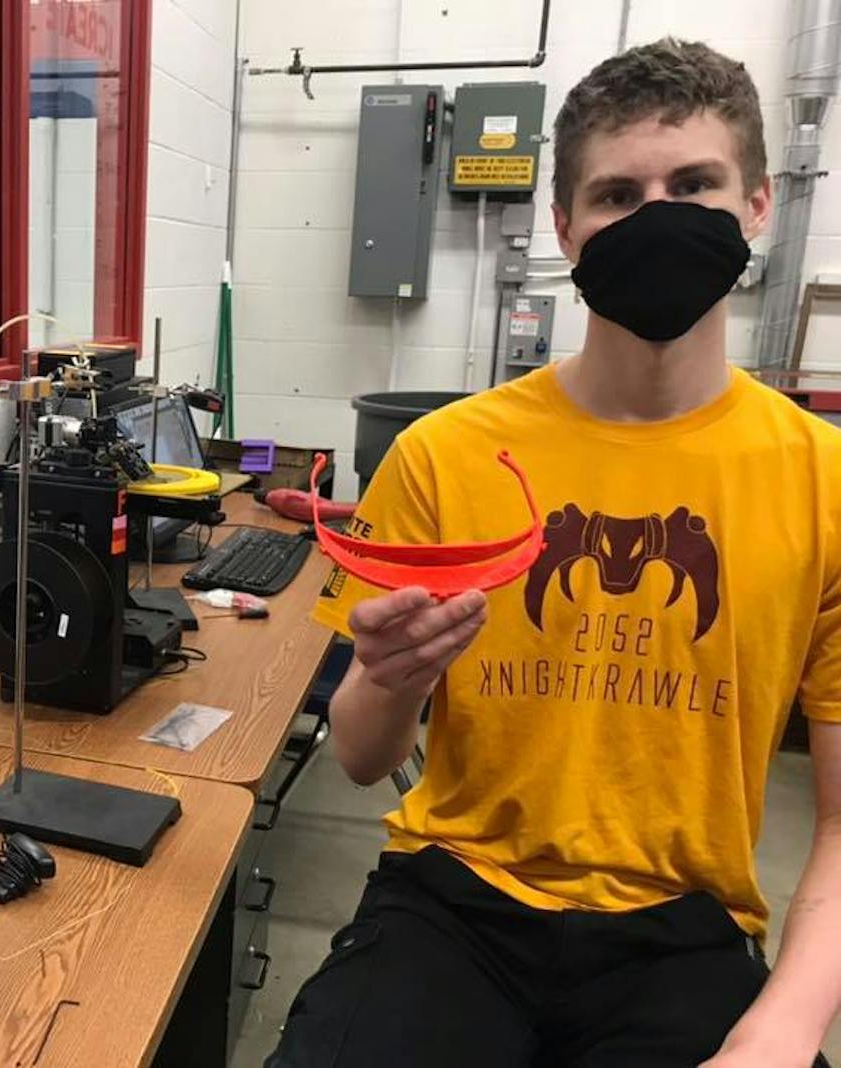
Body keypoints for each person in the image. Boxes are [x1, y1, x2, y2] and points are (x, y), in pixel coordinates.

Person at [267, 38, 841, 1068]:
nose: (657, 215)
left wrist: (785, 1029)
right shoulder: (442, 456)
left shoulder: (822, 482)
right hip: (451, 903)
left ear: (756, 204)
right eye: (618, 194)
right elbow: (356, 757)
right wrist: (394, 677)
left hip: (682, 930)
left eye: (694, 184)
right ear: (565, 226)